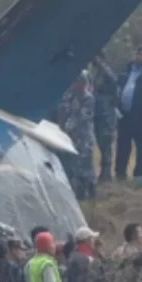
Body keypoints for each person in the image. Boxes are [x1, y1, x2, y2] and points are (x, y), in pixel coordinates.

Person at [116, 46, 142, 183]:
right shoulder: (126, 71)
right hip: (124, 116)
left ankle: (138, 174)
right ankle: (120, 173)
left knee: (141, 147)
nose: (140, 57)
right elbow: (118, 88)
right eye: (138, 54)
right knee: (122, 145)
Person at [56, 71, 97, 199]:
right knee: (73, 166)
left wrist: (67, 126)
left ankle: (90, 191)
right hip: (70, 137)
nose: (76, 84)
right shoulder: (69, 95)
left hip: (83, 136)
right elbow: (62, 110)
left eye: (79, 82)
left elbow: (82, 116)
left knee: (85, 166)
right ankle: (77, 192)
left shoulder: (88, 98)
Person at [90, 51, 119, 182]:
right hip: (98, 113)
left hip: (106, 114)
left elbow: (114, 82)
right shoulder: (95, 73)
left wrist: (102, 65)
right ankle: (103, 172)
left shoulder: (107, 72)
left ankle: (106, 173)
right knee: (101, 144)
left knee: (106, 143)